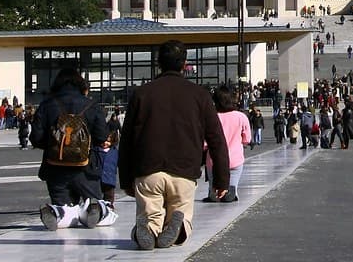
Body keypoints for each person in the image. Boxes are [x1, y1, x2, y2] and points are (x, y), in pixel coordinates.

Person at [119, 40, 230, 251]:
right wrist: (222, 180)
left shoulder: (142, 93)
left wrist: (126, 179)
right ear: (184, 64)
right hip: (184, 170)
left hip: (148, 170)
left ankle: (148, 229)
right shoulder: (200, 95)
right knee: (182, 213)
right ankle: (178, 228)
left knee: (149, 214)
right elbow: (216, 139)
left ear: (158, 63)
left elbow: (126, 141)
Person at [30, 68, 111, 230]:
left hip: (54, 167)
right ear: (81, 84)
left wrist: (57, 146)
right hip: (85, 167)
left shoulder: (46, 105)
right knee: (101, 209)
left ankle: (58, 212)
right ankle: (95, 209)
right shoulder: (90, 105)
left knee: (65, 210)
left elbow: (36, 138)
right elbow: (102, 136)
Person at [204, 86, 250, 203]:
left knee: (213, 183)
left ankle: (213, 191)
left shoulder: (211, 118)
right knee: (232, 182)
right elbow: (247, 139)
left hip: (214, 159)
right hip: (235, 158)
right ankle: (231, 190)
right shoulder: (241, 117)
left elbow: (204, 143)